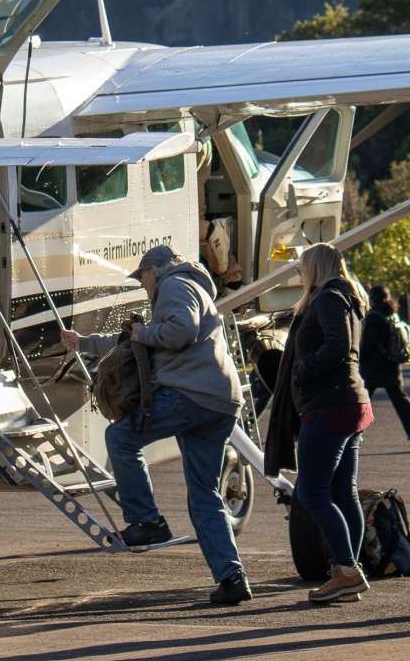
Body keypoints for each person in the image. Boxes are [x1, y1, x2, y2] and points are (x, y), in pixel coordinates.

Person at [62, 245, 251, 605]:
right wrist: (84, 343)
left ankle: (146, 521)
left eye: (142, 278)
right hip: (219, 402)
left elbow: (179, 332)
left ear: (153, 270)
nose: (143, 286)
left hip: (190, 395)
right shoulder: (191, 287)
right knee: (204, 496)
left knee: (120, 437)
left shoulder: (175, 285)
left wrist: (143, 334)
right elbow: (139, 342)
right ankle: (232, 578)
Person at [263, 242, 375, 604]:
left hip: (329, 404)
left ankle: (345, 570)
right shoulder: (348, 298)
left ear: (316, 268)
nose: (298, 272)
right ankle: (348, 571)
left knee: (312, 492)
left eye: (301, 266)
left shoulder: (328, 298)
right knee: (343, 491)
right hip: (350, 402)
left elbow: (337, 346)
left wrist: (301, 368)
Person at [360, 285, 410, 440]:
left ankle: (355, 431)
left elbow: (368, 344)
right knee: (399, 399)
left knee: (362, 400)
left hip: (373, 367)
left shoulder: (373, 317)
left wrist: (359, 357)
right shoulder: (392, 313)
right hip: (392, 364)